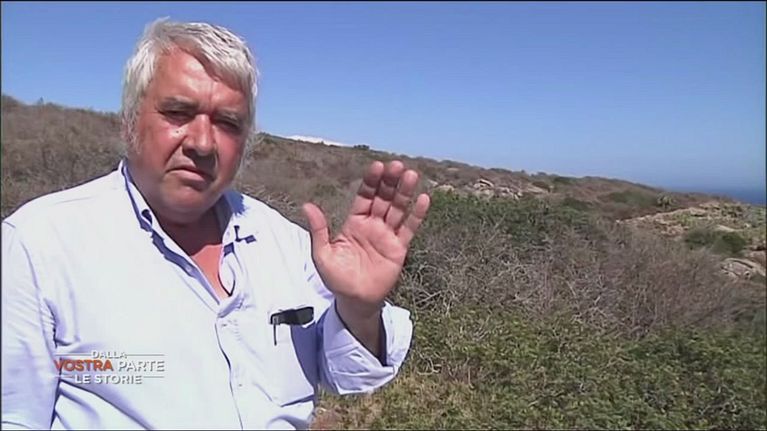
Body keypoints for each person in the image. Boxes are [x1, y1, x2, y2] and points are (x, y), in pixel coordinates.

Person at [1, 18, 430, 430]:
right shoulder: (41, 244)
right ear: (130, 121)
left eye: (227, 123)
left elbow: (349, 375)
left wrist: (358, 309)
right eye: (178, 112)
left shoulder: (286, 244)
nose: (203, 143)